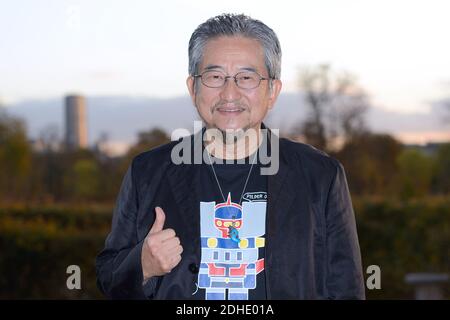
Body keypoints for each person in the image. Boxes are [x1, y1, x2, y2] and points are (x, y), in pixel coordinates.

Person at [95, 13, 365, 300]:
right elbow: (108, 278)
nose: (229, 93)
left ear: (272, 90)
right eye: (214, 77)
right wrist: (143, 265)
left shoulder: (320, 176)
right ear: (193, 88)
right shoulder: (147, 172)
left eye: (246, 78)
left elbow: (347, 290)